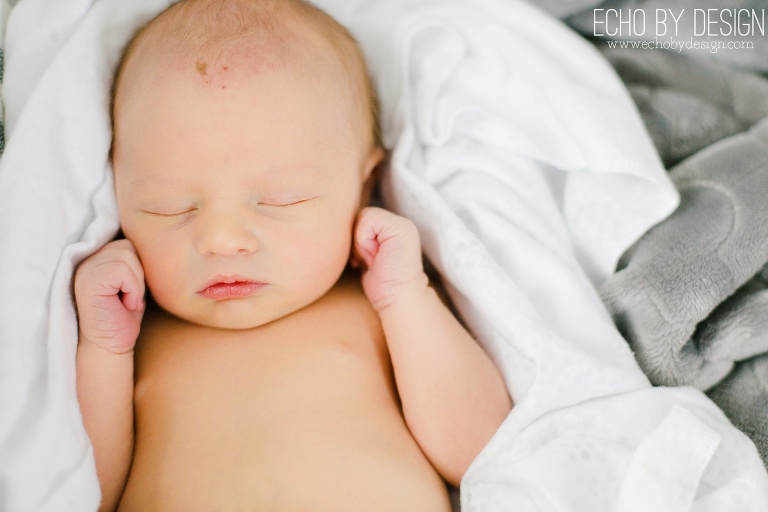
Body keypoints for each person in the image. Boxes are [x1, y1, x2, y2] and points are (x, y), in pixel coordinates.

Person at [74, 0, 512, 510]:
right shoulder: (136, 336)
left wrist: (406, 297)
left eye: (282, 200)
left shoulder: (379, 307)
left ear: (364, 187)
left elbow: (482, 451)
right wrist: (103, 347)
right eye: (168, 208)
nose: (221, 239)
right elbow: (80, 491)